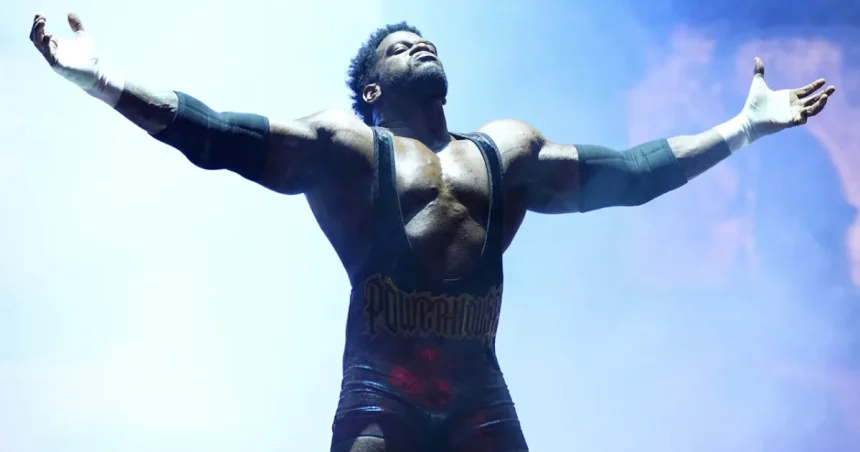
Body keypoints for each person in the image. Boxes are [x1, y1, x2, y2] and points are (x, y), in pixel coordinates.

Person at [29, 12, 836, 452]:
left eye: (426, 39)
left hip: (481, 400)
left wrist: (741, 128)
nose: (419, 42)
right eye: (397, 46)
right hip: (381, 400)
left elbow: (627, 174)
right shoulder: (346, 148)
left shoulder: (508, 150)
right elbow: (222, 137)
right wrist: (102, 80)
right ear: (373, 91)